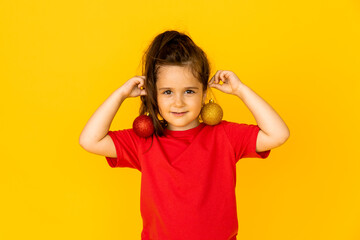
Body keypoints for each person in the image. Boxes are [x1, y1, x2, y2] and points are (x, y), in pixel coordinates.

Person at [79, 30, 290, 240]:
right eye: (167, 92)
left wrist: (241, 90)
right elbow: (90, 140)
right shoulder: (143, 142)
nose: (178, 102)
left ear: (205, 93)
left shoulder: (224, 136)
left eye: (189, 91)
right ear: (153, 94)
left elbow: (278, 134)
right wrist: (121, 94)